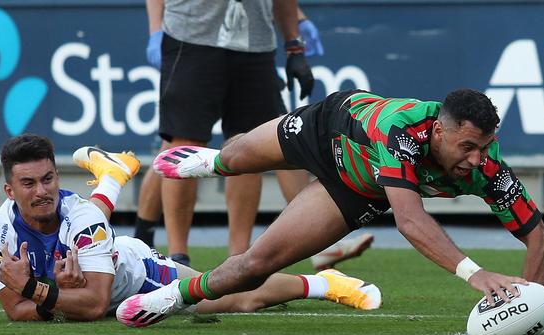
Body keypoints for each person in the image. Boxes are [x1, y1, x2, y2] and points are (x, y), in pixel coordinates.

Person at [116, 88, 544, 328]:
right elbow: (409, 219)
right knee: (235, 157)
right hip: (327, 126)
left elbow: (539, 239)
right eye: (467, 147)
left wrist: (532, 306)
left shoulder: (488, 168)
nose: (476, 159)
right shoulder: (400, 130)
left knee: (256, 265)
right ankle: (209, 162)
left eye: (483, 147)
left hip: (358, 190)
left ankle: (173, 298)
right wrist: (476, 274)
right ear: (438, 131)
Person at [0, 134, 382, 322]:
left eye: (49, 179)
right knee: (79, 218)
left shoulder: (80, 217)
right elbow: (15, 313)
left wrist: (36, 289)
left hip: (138, 276)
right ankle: (113, 175)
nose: (42, 190)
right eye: (29, 184)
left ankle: (325, 284)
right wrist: (55, 296)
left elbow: (92, 303)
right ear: (8, 189)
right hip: (94, 269)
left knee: (237, 296)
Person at [139, 0, 372, 269]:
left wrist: (293, 44)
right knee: (185, 142)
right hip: (191, 38)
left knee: (249, 145)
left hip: (255, 45)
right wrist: (156, 29)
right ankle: (177, 257)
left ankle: (239, 257)